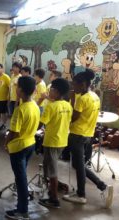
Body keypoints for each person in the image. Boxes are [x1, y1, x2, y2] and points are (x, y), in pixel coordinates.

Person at [63, 70, 113, 208]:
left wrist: (72, 99)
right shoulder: (95, 96)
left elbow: (74, 117)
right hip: (88, 134)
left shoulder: (82, 99)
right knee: (78, 165)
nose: (74, 87)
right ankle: (94, 188)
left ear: (83, 84)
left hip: (77, 134)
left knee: (79, 166)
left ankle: (85, 193)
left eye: (75, 85)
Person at [4, 76, 40, 220]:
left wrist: (6, 142)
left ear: (21, 90)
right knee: (22, 176)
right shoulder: (35, 105)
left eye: (17, 86)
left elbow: (14, 132)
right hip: (30, 143)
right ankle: (22, 203)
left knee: (21, 179)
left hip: (19, 147)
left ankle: (22, 211)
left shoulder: (20, 109)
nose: (15, 88)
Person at [38, 78, 72, 209]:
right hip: (62, 140)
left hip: (51, 141)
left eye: (50, 89)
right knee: (50, 167)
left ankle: (54, 199)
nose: (48, 91)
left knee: (52, 171)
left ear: (56, 92)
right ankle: (56, 188)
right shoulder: (67, 105)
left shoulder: (51, 106)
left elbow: (41, 123)